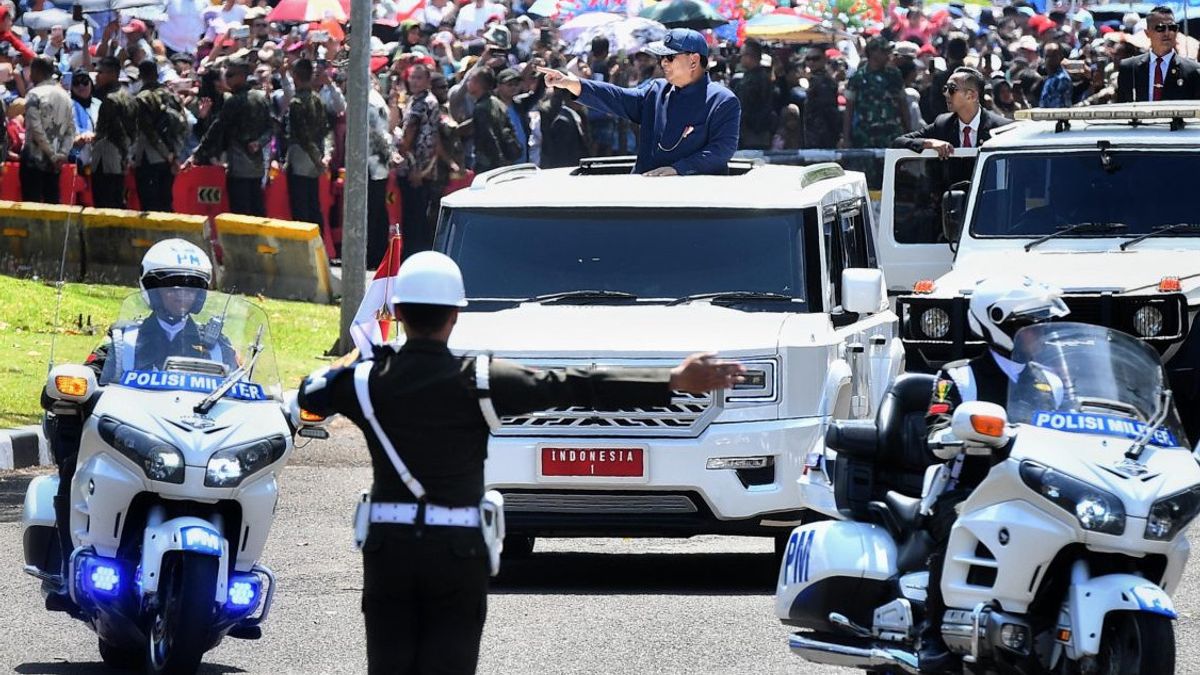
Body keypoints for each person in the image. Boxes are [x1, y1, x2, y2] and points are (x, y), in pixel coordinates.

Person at [297, 251, 744, 675]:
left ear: (398, 312)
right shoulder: (483, 379)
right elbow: (576, 385)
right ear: (455, 317)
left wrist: (367, 356)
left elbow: (310, 391)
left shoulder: (365, 381)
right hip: (458, 549)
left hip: (389, 548)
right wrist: (670, 379)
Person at [41, 238, 226, 609]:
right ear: (151, 291)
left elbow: (245, 386)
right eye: (170, 288)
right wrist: (72, 388)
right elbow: (87, 375)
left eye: (190, 289)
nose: (180, 296)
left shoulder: (218, 344)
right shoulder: (125, 339)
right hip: (136, 438)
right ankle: (66, 568)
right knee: (71, 463)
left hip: (193, 442)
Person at [917, 275, 1069, 674]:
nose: (1040, 334)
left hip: (1039, 492)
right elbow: (934, 431)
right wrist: (961, 433)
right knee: (957, 531)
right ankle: (932, 636)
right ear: (1000, 325)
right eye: (1030, 325)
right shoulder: (959, 377)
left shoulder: (1050, 381)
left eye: (1042, 323)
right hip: (969, 490)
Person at [538, 28, 741, 176]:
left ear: (694, 61)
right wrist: (574, 84)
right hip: (646, 199)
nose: (663, 63)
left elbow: (721, 150)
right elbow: (618, 98)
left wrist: (679, 169)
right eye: (660, 57)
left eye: (669, 57)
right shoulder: (656, 90)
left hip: (697, 205)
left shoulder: (723, 101)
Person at [185, 56, 273, 216]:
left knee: (240, 215)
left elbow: (216, 129)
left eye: (231, 75)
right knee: (258, 211)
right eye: (226, 75)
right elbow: (270, 129)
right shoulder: (261, 98)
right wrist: (259, 143)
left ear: (242, 76)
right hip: (257, 167)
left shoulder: (234, 102)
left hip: (239, 167)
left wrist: (196, 155)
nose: (227, 79)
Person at [893, 67, 1011, 157]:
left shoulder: (1001, 128)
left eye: (952, 89)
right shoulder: (943, 124)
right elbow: (899, 142)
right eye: (945, 89)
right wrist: (929, 143)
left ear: (972, 95)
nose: (946, 94)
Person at [396, 63, 442, 259]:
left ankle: (412, 257)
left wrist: (401, 151)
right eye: (412, 77)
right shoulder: (421, 100)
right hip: (425, 168)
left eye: (418, 78)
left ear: (427, 81)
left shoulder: (422, 102)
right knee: (418, 216)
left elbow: (410, 134)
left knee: (413, 218)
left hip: (415, 167)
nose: (414, 82)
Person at [1116, 6, 1200, 103]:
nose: (1167, 33)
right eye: (1160, 28)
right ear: (1147, 32)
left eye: (1172, 27)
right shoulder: (1130, 68)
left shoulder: (1193, 71)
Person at [21, 56, 74, 204]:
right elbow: (71, 129)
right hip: (55, 162)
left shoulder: (34, 94)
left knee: (31, 205)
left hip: (34, 159)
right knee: (53, 203)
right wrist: (62, 154)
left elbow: (36, 130)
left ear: (37, 71)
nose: (30, 76)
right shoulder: (65, 96)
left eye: (31, 71)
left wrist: (52, 154)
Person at [133, 60, 185, 212]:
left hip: (149, 158)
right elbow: (183, 125)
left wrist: (166, 153)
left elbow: (148, 131)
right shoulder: (172, 95)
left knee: (150, 205)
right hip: (169, 158)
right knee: (166, 201)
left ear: (141, 76)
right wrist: (174, 155)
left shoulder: (142, 98)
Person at [841, 36, 908, 151]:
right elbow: (849, 110)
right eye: (884, 51)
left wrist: (908, 132)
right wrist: (846, 138)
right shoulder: (857, 78)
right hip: (865, 137)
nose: (888, 55)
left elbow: (903, 104)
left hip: (891, 134)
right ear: (873, 53)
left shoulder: (894, 75)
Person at [285, 58, 329, 228]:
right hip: (315, 157)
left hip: (301, 157)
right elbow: (325, 128)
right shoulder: (317, 98)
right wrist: (321, 156)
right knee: (314, 204)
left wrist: (316, 157)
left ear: (295, 76)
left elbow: (303, 136)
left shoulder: (296, 103)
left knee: (300, 207)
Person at [90, 57, 138, 209]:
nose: (97, 76)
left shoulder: (110, 99)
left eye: (100, 72)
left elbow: (114, 131)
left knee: (105, 200)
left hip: (107, 156)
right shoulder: (130, 96)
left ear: (112, 74)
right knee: (117, 198)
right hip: (122, 155)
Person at [469, 67, 520, 174]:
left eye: (471, 80)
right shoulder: (498, 103)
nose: (468, 84)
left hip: (490, 165)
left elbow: (489, 138)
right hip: (505, 160)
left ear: (479, 84)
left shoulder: (481, 108)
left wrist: (499, 163)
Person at [1038, 42, 1073, 108]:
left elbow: (1059, 107)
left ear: (1060, 57)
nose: (1050, 59)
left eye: (1053, 56)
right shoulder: (1050, 78)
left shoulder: (1062, 79)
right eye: (1047, 56)